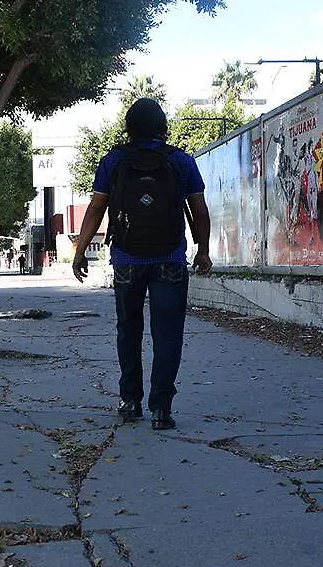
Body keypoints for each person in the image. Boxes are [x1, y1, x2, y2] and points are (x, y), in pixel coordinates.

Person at [72, 98, 212, 430]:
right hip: (170, 259)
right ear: (163, 127)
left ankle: (130, 400)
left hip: (126, 259)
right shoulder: (181, 161)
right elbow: (200, 211)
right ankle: (162, 408)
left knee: (128, 330)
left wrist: (80, 252)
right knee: (168, 334)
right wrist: (203, 250)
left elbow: (95, 210)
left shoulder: (113, 161)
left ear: (129, 128)